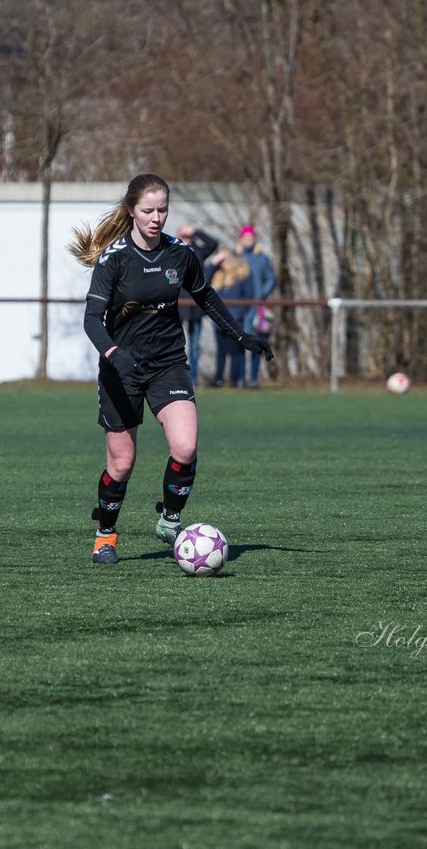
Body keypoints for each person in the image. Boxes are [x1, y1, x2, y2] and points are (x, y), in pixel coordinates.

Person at [70, 173, 272, 565]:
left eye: (162, 209)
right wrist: (114, 354)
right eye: (148, 210)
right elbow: (92, 319)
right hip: (120, 369)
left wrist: (241, 335)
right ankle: (105, 536)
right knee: (122, 463)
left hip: (168, 364)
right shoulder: (114, 260)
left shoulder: (180, 254)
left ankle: (169, 519)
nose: (156, 217)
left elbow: (207, 296)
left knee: (185, 446)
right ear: (131, 211)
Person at [174, 224, 221, 384]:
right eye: (183, 236)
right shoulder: (172, 252)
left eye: (188, 237)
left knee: (194, 346)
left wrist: (195, 231)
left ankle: (192, 379)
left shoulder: (199, 252)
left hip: (195, 307)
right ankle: (176, 377)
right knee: (175, 346)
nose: (186, 239)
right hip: (177, 308)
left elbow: (213, 244)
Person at [235, 225, 277, 388]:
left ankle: (253, 379)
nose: (248, 241)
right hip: (239, 307)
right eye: (245, 238)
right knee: (238, 342)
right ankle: (239, 378)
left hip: (257, 308)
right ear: (241, 239)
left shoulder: (262, 259)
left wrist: (261, 295)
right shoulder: (236, 258)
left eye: (251, 238)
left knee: (257, 343)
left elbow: (271, 279)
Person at [208, 253, 253, 388]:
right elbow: (203, 279)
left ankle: (236, 380)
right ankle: (218, 379)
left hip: (235, 321)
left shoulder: (241, 276)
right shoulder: (217, 276)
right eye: (220, 261)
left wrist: (238, 316)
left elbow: (248, 297)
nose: (223, 263)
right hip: (218, 321)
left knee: (236, 351)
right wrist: (212, 263)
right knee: (221, 351)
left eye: (225, 259)